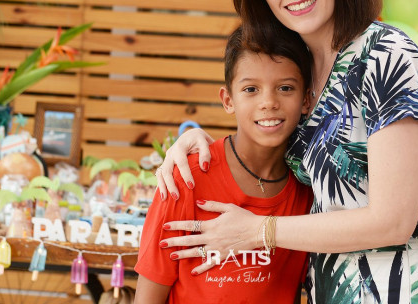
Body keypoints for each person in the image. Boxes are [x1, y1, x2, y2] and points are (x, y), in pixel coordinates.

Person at [153, 0, 418, 304]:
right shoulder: (301, 68)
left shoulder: (387, 54)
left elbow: (393, 221)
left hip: (396, 290)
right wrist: (200, 143)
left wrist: (259, 230)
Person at [133, 26, 314, 303]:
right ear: (228, 100)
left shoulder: (311, 190)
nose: (269, 102)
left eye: (285, 88)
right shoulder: (186, 178)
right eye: (251, 89)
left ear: (306, 99)